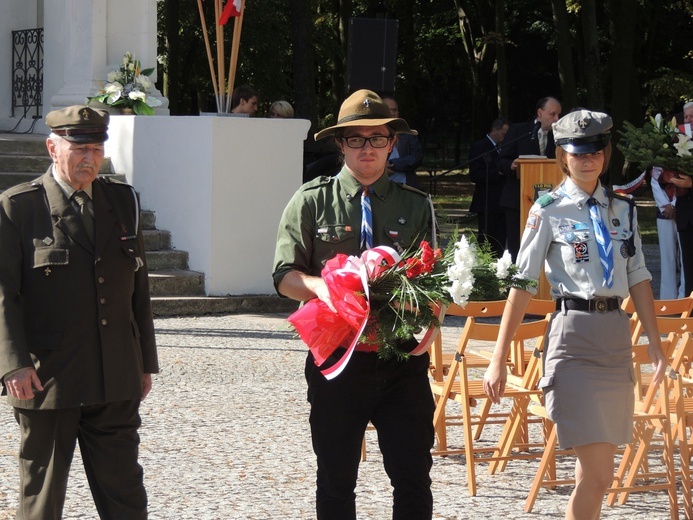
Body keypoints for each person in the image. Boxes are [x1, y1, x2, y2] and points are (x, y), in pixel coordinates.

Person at [483, 110, 667, 519]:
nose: (589, 160)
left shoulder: (624, 208)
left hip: (615, 342)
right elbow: (522, 283)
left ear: (606, 153)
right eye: (578, 152)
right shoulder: (547, 209)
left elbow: (638, 277)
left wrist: (654, 344)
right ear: (563, 155)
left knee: (596, 474)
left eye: (596, 151)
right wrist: (498, 357)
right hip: (572, 342)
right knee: (599, 473)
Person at [273, 90, 436, 520]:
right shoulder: (309, 201)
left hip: (400, 360)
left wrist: (429, 319)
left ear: (392, 144)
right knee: (335, 479)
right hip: (337, 362)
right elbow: (283, 277)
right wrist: (320, 287)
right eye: (357, 139)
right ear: (340, 144)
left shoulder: (415, 205)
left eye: (377, 138)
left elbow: (433, 281)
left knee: (413, 476)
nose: (368, 148)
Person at [0, 105, 159, 519]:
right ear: (53, 148)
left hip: (115, 374)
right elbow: (3, 295)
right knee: (43, 497)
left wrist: (144, 362)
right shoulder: (18, 208)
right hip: (49, 378)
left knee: (125, 492)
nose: (89, 158)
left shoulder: (123, 202)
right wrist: (12, 364)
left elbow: (137, 288)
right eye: (79, 149)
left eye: (96, 148)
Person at [498, 96, 562, 261]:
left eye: (558, 115)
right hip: (517, 200)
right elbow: (501, 160)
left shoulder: (559, 137)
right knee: (516, 247)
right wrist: (511, 164)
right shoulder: (519, 131)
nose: (556, 119)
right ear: (540, 113)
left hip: (550, 202)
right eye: (552, 114)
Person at [468, 117, 510, 258]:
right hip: (486, 200)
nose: (505, 137)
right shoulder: (479, 147)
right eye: (503, 134)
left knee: (500, 240)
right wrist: (496, 173)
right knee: (486, 239)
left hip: (502, 201)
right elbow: (474, 174)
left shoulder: (505, 147)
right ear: (494, 130)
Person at [650, 165, 685, 299]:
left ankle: (684, 296)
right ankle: (668, 298)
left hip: (684, 209)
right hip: (663, 211)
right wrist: (664, 205)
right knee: (667, 256)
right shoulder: (658, 161)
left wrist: (675, 205)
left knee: (686, 257)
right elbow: (654, 180)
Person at [670, 101, 693, 296]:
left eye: (692, 117)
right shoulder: (677, 143)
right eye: (686, 117)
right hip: (686, 217)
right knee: (689, 271)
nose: (689, 121)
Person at [382, 96, 424, 188]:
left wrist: (392, 164)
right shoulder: (372, 135)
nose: (392, 113)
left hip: (406, 188)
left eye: (395, 110)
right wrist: (381, 169)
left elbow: (416, 158)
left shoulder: (408, 134)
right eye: (389, 110)